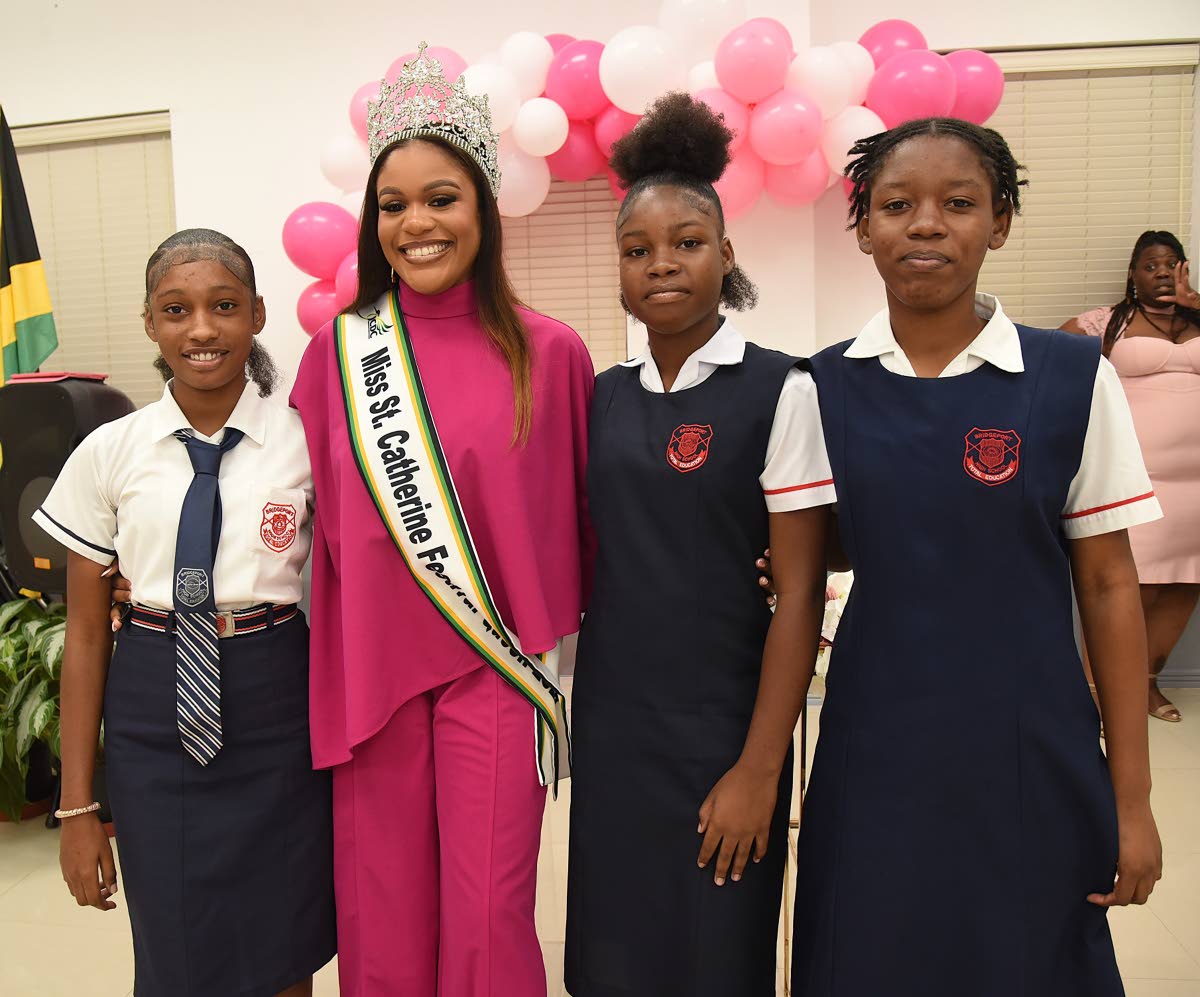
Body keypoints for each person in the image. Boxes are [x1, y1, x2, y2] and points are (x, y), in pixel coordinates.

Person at [790, 118, 1164, 996]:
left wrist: (1133, 800)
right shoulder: (820, 385)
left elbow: (1110, 585)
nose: (926, 224)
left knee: (1028, 956)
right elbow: (812, 558)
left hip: (1031, 743)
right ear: (864, 227)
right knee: (872, 953)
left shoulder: (1071, 376)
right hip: (874, 744)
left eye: (958, 203)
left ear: (998, 222)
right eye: (897, 204)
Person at [288, 46, 594, 997]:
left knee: (488, 915)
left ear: (484, 210)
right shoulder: (334, 356)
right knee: (380, 917)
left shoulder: (552, 353)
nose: (416, 223)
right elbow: (295, 517)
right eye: (393, 205)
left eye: (442, 198)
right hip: (369, 670)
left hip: (494, 668)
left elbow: (594, 515)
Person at [564, 93, 832, 997]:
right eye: (637, 250)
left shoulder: (780, 390)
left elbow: (796, 593)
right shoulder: (599, 397)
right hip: (614, 728)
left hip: (727, 723)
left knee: (717, 953)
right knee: (614, 954)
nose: (661, 264)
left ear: (727, 254)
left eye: (686, 242)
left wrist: (762, 769)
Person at [34, 228, 336, 997]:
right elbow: (82, 638)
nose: (201, 329)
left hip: (276, 702)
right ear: (151, 324)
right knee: (175, 946)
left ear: (259, 314)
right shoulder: (109, 450)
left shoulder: (305, 441)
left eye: (224, 306)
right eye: (177, 309)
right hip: (151, 707)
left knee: (281, 939)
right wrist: (77, 805)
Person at [1061, 230, 1200, 723]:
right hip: (1138, 483)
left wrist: (1195, 304)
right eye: (1150, 265)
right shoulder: (1110, 322)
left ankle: (1145, 687)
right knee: (1127, 589)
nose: (1161, 272)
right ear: (1133, 274)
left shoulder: (1198, 317)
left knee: (1186, 586)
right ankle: (1097, 696)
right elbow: (1049, 362)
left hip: (1196, 492)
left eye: (1171, 264)